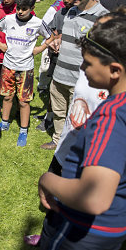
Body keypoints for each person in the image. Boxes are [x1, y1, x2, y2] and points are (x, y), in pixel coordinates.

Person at [38, 15, 126, 250]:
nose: (82, 68)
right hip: (114, 226)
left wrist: (47, 179)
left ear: (115, 70)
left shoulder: (111, 117)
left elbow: (94, 197)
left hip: (81, 231)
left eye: (87, 63)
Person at [42, 0, 109, 150]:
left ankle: (71, 145)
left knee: (77, 116)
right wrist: (58, 40)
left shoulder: (102, 17)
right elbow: (66, 35)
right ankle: (56, 140)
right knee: (58, 111)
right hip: (59, 74)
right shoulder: (71, 11)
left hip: (80, 79)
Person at [0, 0, 53, 147]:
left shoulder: (37, 23)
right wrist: (0, 45)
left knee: (24, 101)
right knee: (7, 97)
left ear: (32, 7)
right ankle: (4, 122)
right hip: (8, 67)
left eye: (24, 9)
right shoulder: (9, 19)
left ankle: (23, 130)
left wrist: (40, 48)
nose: (20, 11)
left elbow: (50, 36)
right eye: (18, 8)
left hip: (26, 69)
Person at [36, 0, 74, 136]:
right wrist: (53, 40)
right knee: (54, 89)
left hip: (72, 62)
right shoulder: (60, 13)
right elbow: (52, 31)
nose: (65, 0)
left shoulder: (78, 15)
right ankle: (50, 117)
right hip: (56, 58)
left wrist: (60, 37)